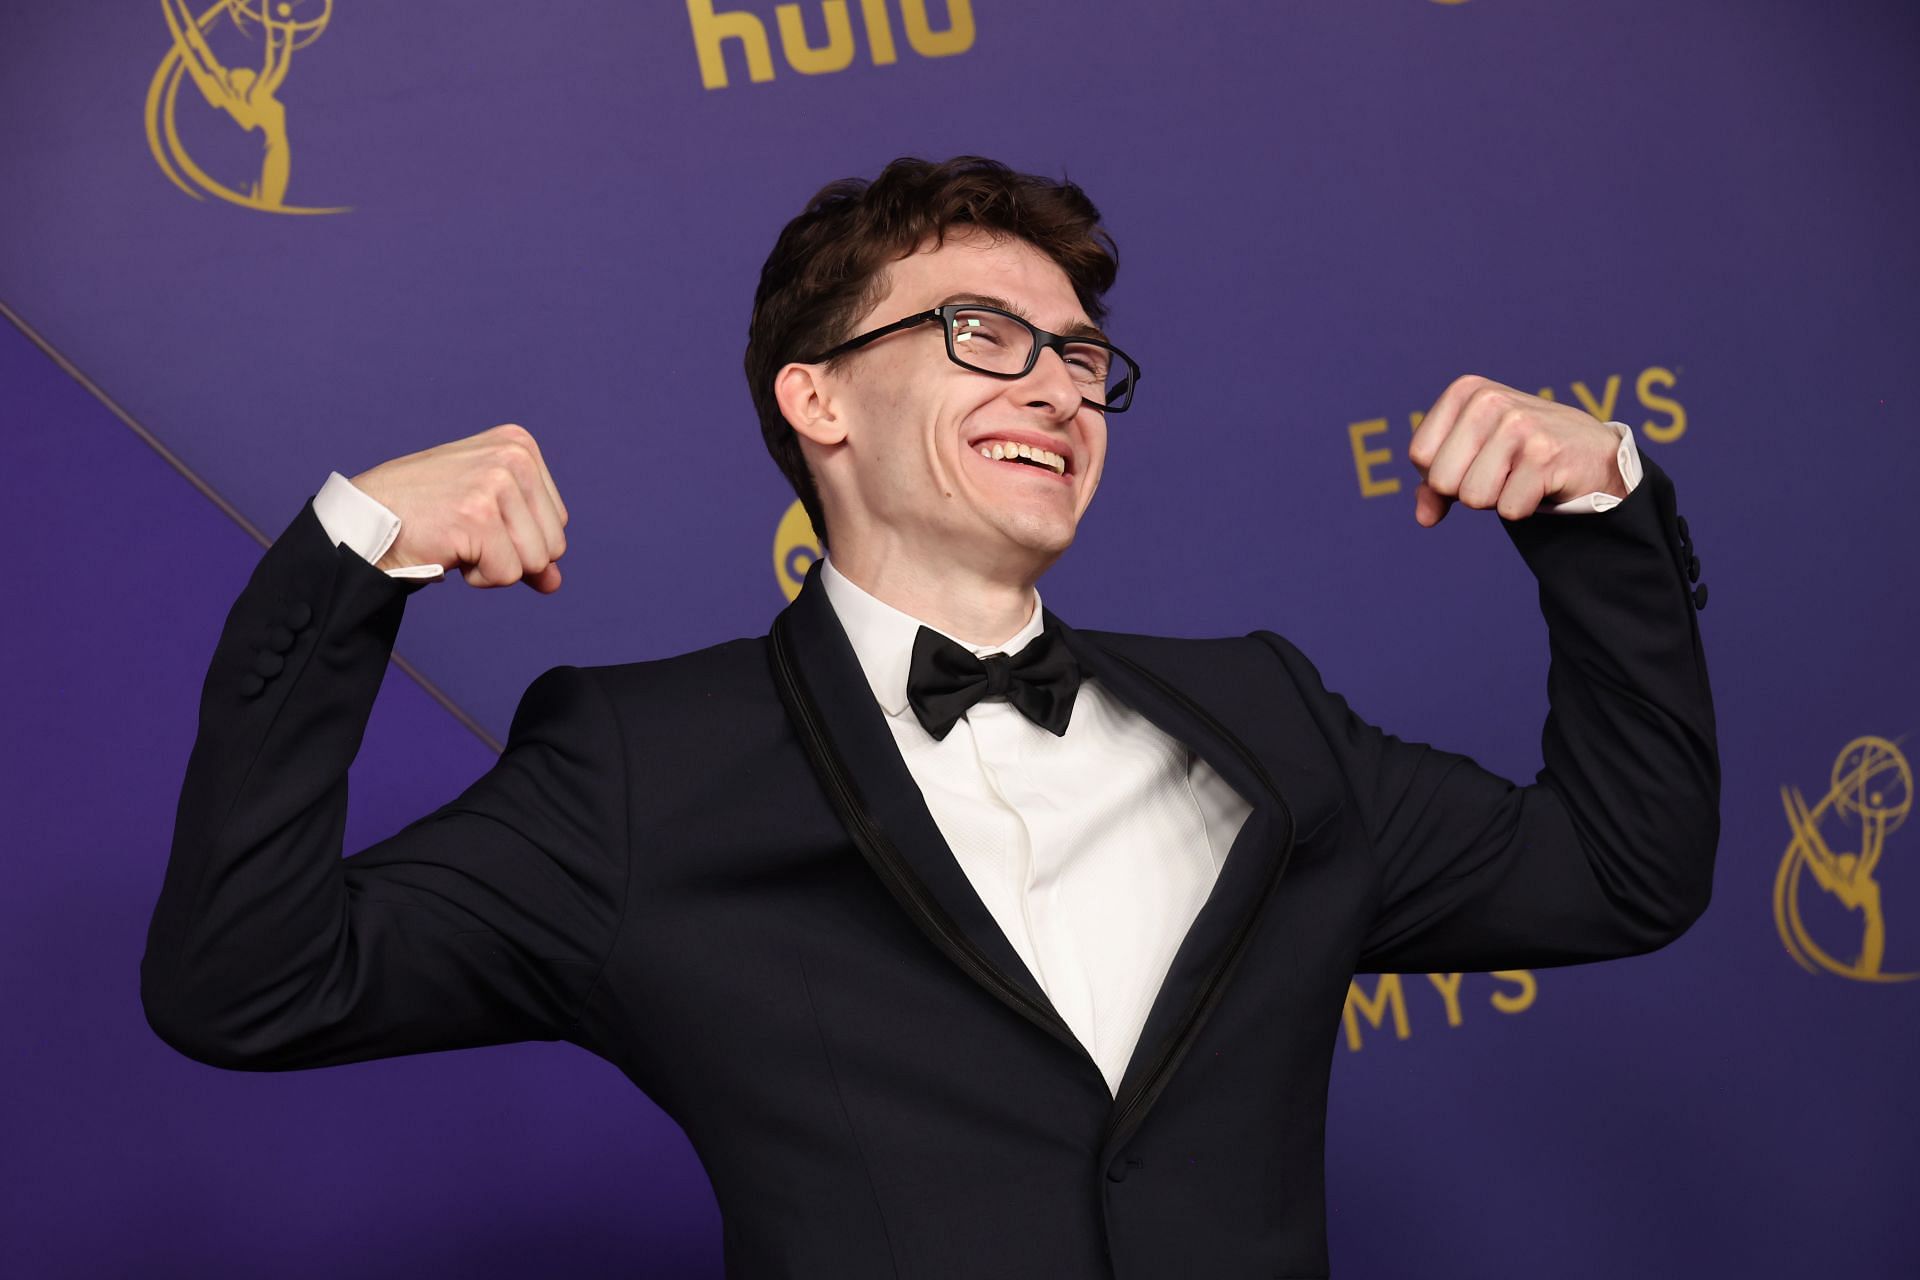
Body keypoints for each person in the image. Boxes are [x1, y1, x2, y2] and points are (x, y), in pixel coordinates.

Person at [143, 155, 1719, 1278]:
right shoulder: (645, 767)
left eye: (1084, 360)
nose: (1056, 387)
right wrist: (346, 563)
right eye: (985, 336)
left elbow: (1621, 872)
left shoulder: (1268, 713)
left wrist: (1603, 517)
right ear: (817, 399)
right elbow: (252, 987)